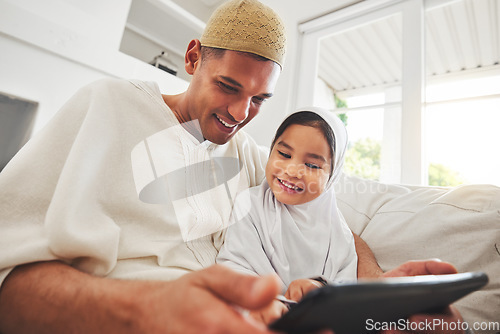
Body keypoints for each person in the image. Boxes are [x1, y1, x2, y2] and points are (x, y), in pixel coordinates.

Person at [0, 0, 465, 333]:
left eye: (259, 99)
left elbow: (329, 220)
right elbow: (10, 288)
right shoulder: (108, 107)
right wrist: (147, 310)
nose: (241, 114)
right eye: (228, 86)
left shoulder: (244, 154)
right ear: (192, 57)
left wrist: (373, 288)